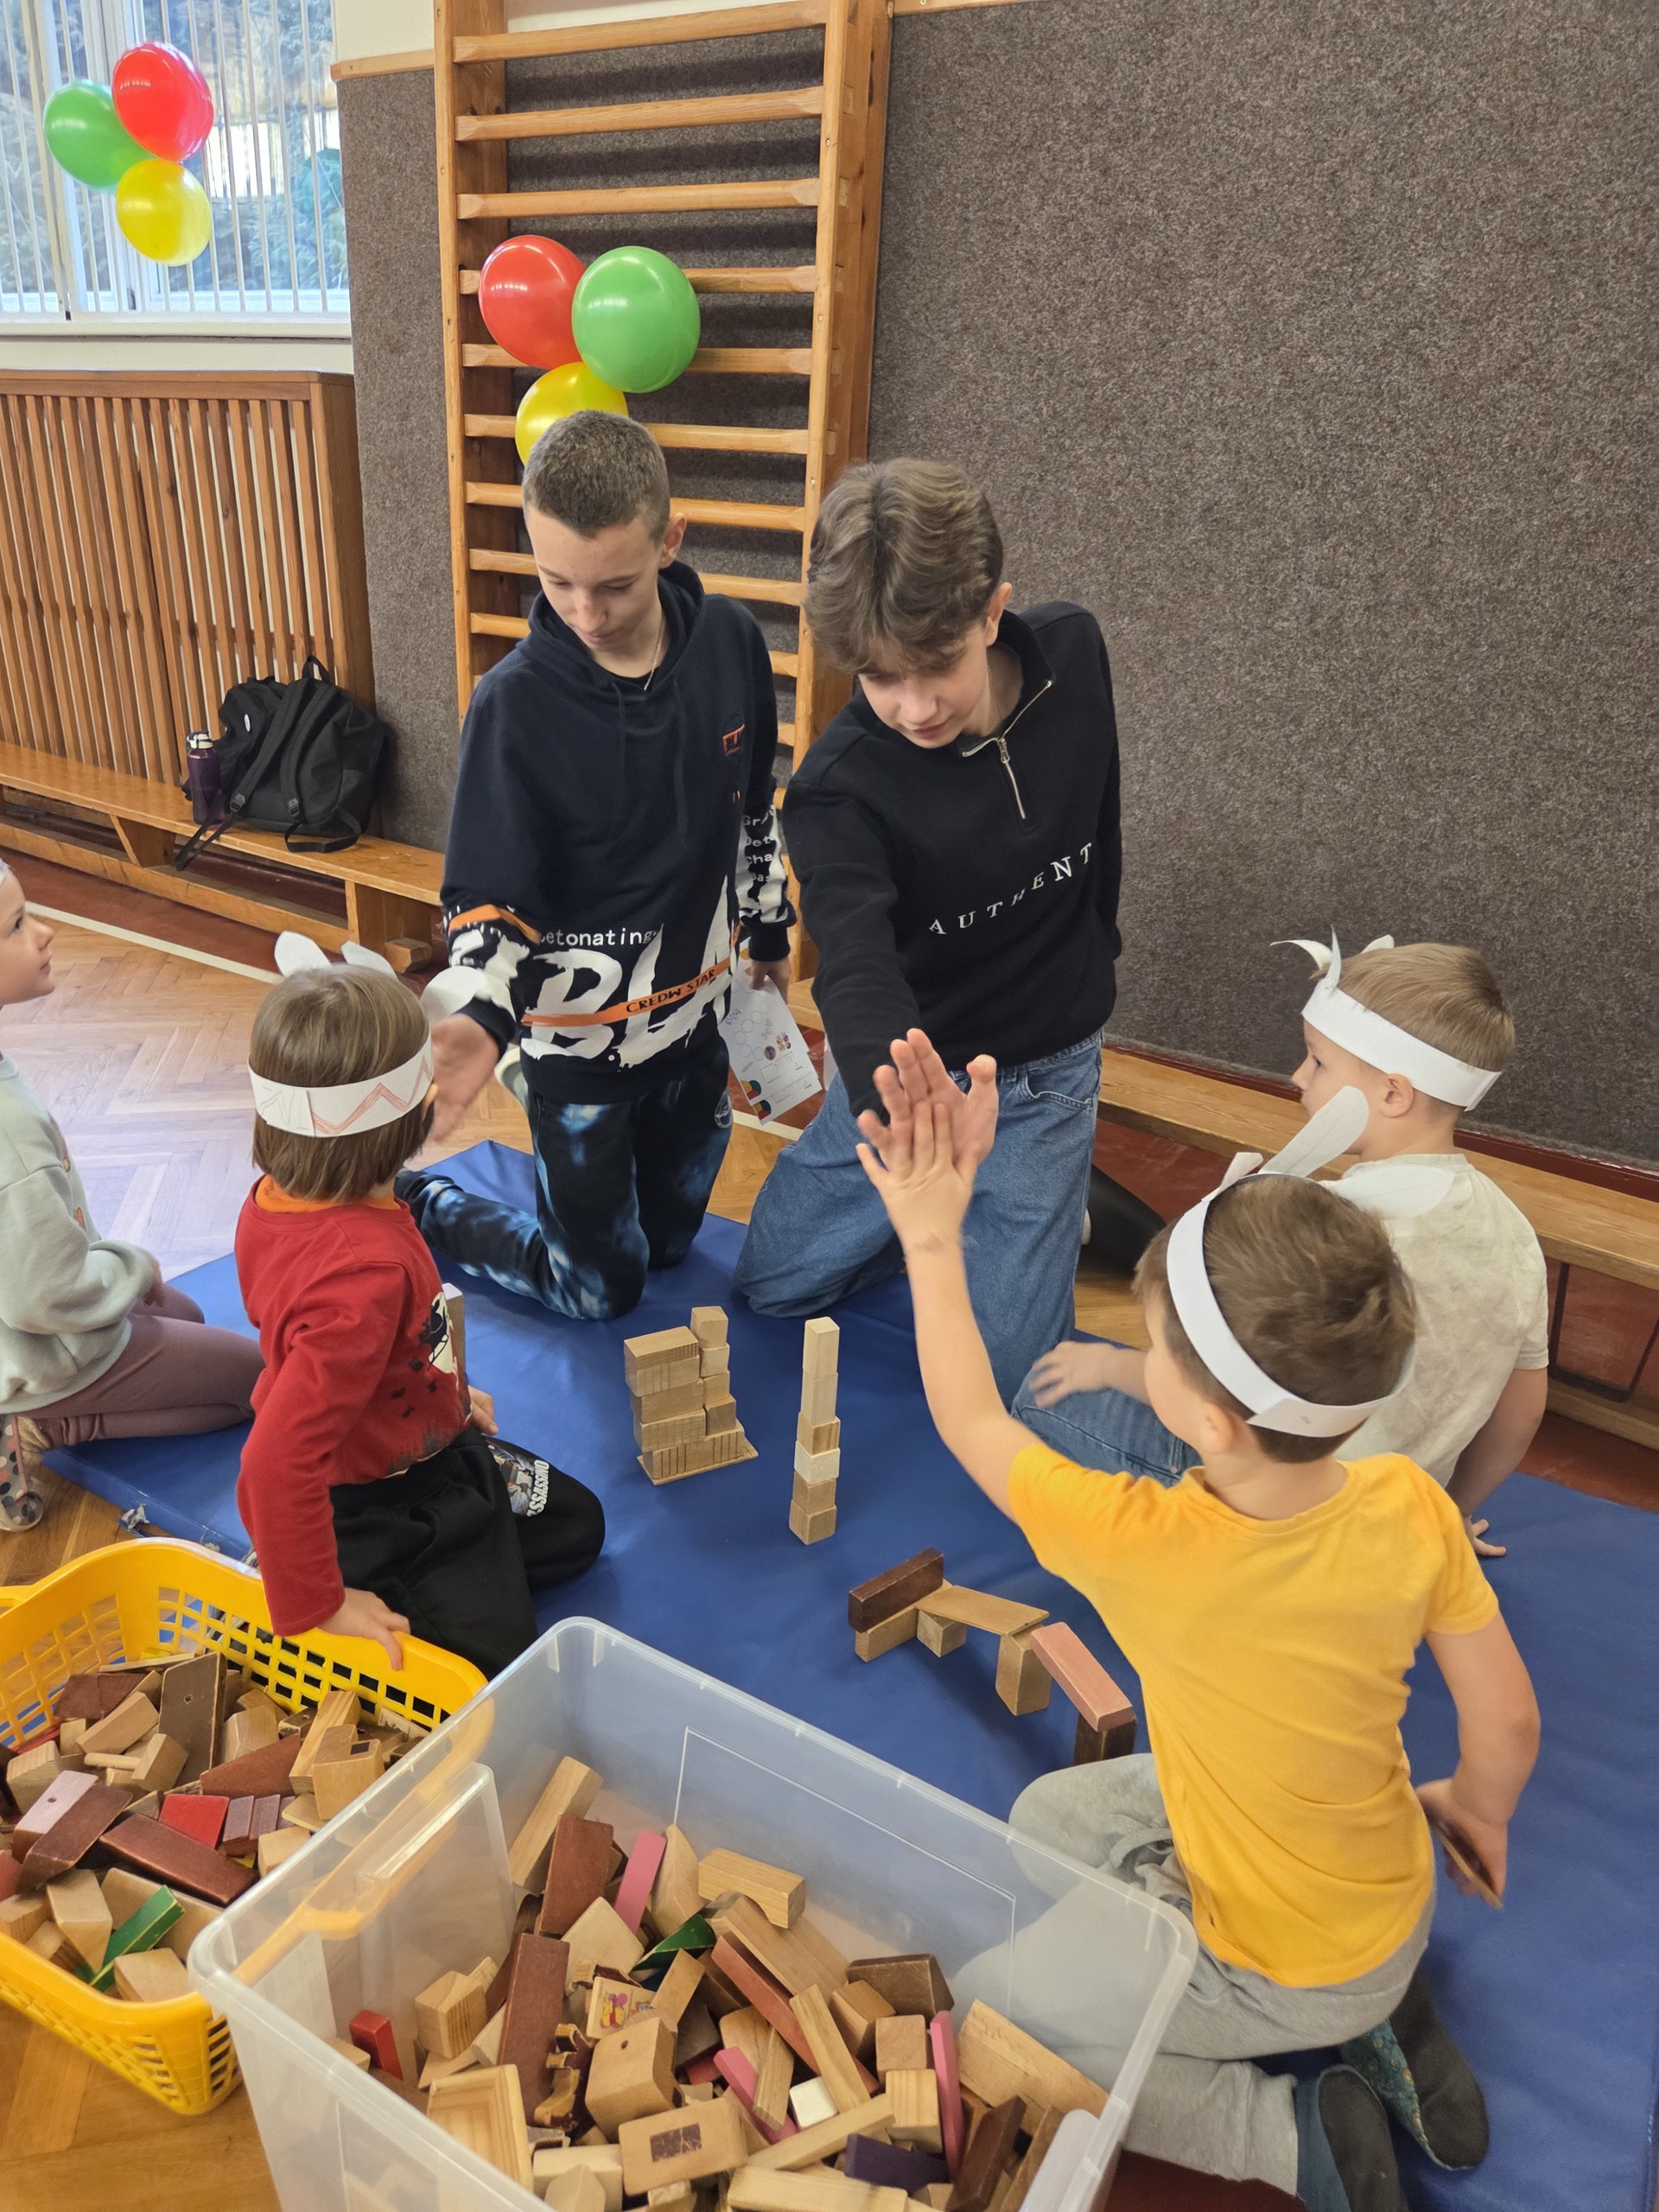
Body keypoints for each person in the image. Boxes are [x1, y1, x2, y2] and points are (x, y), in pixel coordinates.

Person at [854, 1033, 1538, 2212]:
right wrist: (1477, 1809)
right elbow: (1508, 1721)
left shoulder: (1149, 1542)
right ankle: (1383, 2007)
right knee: (1046, 1821)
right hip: (1389, 1901)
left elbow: (971, 1418)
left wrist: (928, 1233)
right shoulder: (1405, 1499)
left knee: (987, 2016)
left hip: (1281, 1965)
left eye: (1152, 1346)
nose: (1138, 1352)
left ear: (1212, 1421)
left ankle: (1293, 2136)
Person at [734, 460, 1155, 1402]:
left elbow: (1103, 818)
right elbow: (854, 959)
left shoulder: (1075, 651)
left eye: (938, 668)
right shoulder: (839, 787)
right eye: (882, 678)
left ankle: (1047, 1204)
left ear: (993, 612)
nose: (915, 707)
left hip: (1047, 1068)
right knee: (772, 1285)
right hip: (916, 1073)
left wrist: (1097, 953)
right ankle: (1014, 1216)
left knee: (1018, 1388)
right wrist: (902, 1112)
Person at [395, 410, 794, 1321]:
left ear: (671, 540)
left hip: (695, 1018)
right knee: (598, 1288)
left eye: (614, 586)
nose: (586, 614)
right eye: (556, 583)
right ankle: (425, 1204)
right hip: (579, 1045)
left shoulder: (730, 642)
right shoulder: (513, 704)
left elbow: (753, 804)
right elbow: (487, 898)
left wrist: (769, 926)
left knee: (671, 1244)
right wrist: (480, 1016)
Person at [1020, 934, 1547, 1554]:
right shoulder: (1515, 1233)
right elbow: (1521, 1408)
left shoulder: (1326, 1229)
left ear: (1393, 1094)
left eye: (1318, 1062)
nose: (1298, 1076)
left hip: (1277, 1515)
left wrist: (1113, 1365)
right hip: (1394, 1525)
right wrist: (1450, 1515)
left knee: (1034, 1400)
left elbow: (1215, 1386)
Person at [236, 959, 604, 1678]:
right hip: (376, 1507)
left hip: (431, 1450)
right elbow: (273, 1462)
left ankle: (458, 1560)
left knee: (575, 1525)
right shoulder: (360, 1278)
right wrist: (321, 1604)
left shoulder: (286, 1193)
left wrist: (446, 1394)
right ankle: (323, 1567)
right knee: (495, 1669)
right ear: (418, 1111)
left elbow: (395, 1343)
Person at [0, 860, 262, 1532]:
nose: (44, 933)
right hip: (40, 1349)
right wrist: (132, 1266)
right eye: (17, 926)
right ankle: (41, 1425)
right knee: (258, 1382)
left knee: (189, 1315)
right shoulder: (9, 1131)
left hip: (29, 1329)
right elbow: (43, 1296)